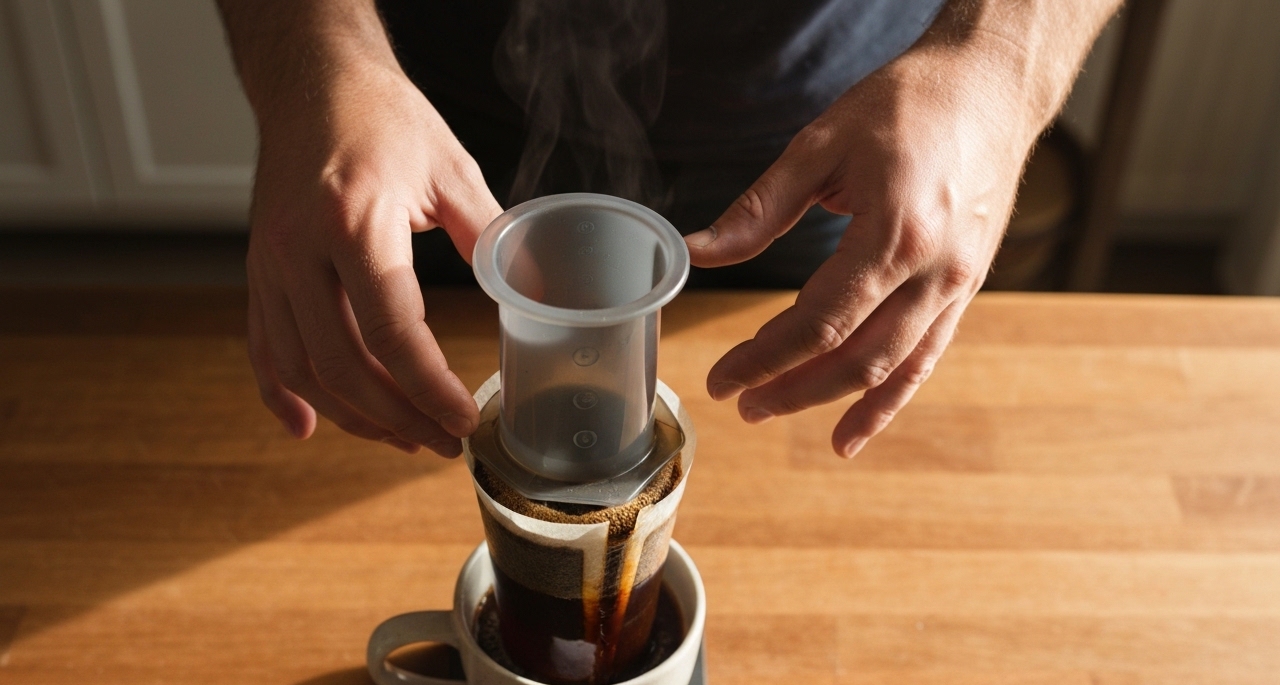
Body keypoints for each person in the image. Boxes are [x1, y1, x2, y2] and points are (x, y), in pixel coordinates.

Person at [216, 0, 1121, 460]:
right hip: (418, 150)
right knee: (410, 399)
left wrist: (995, 66)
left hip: (835, 157)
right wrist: (316, 59)